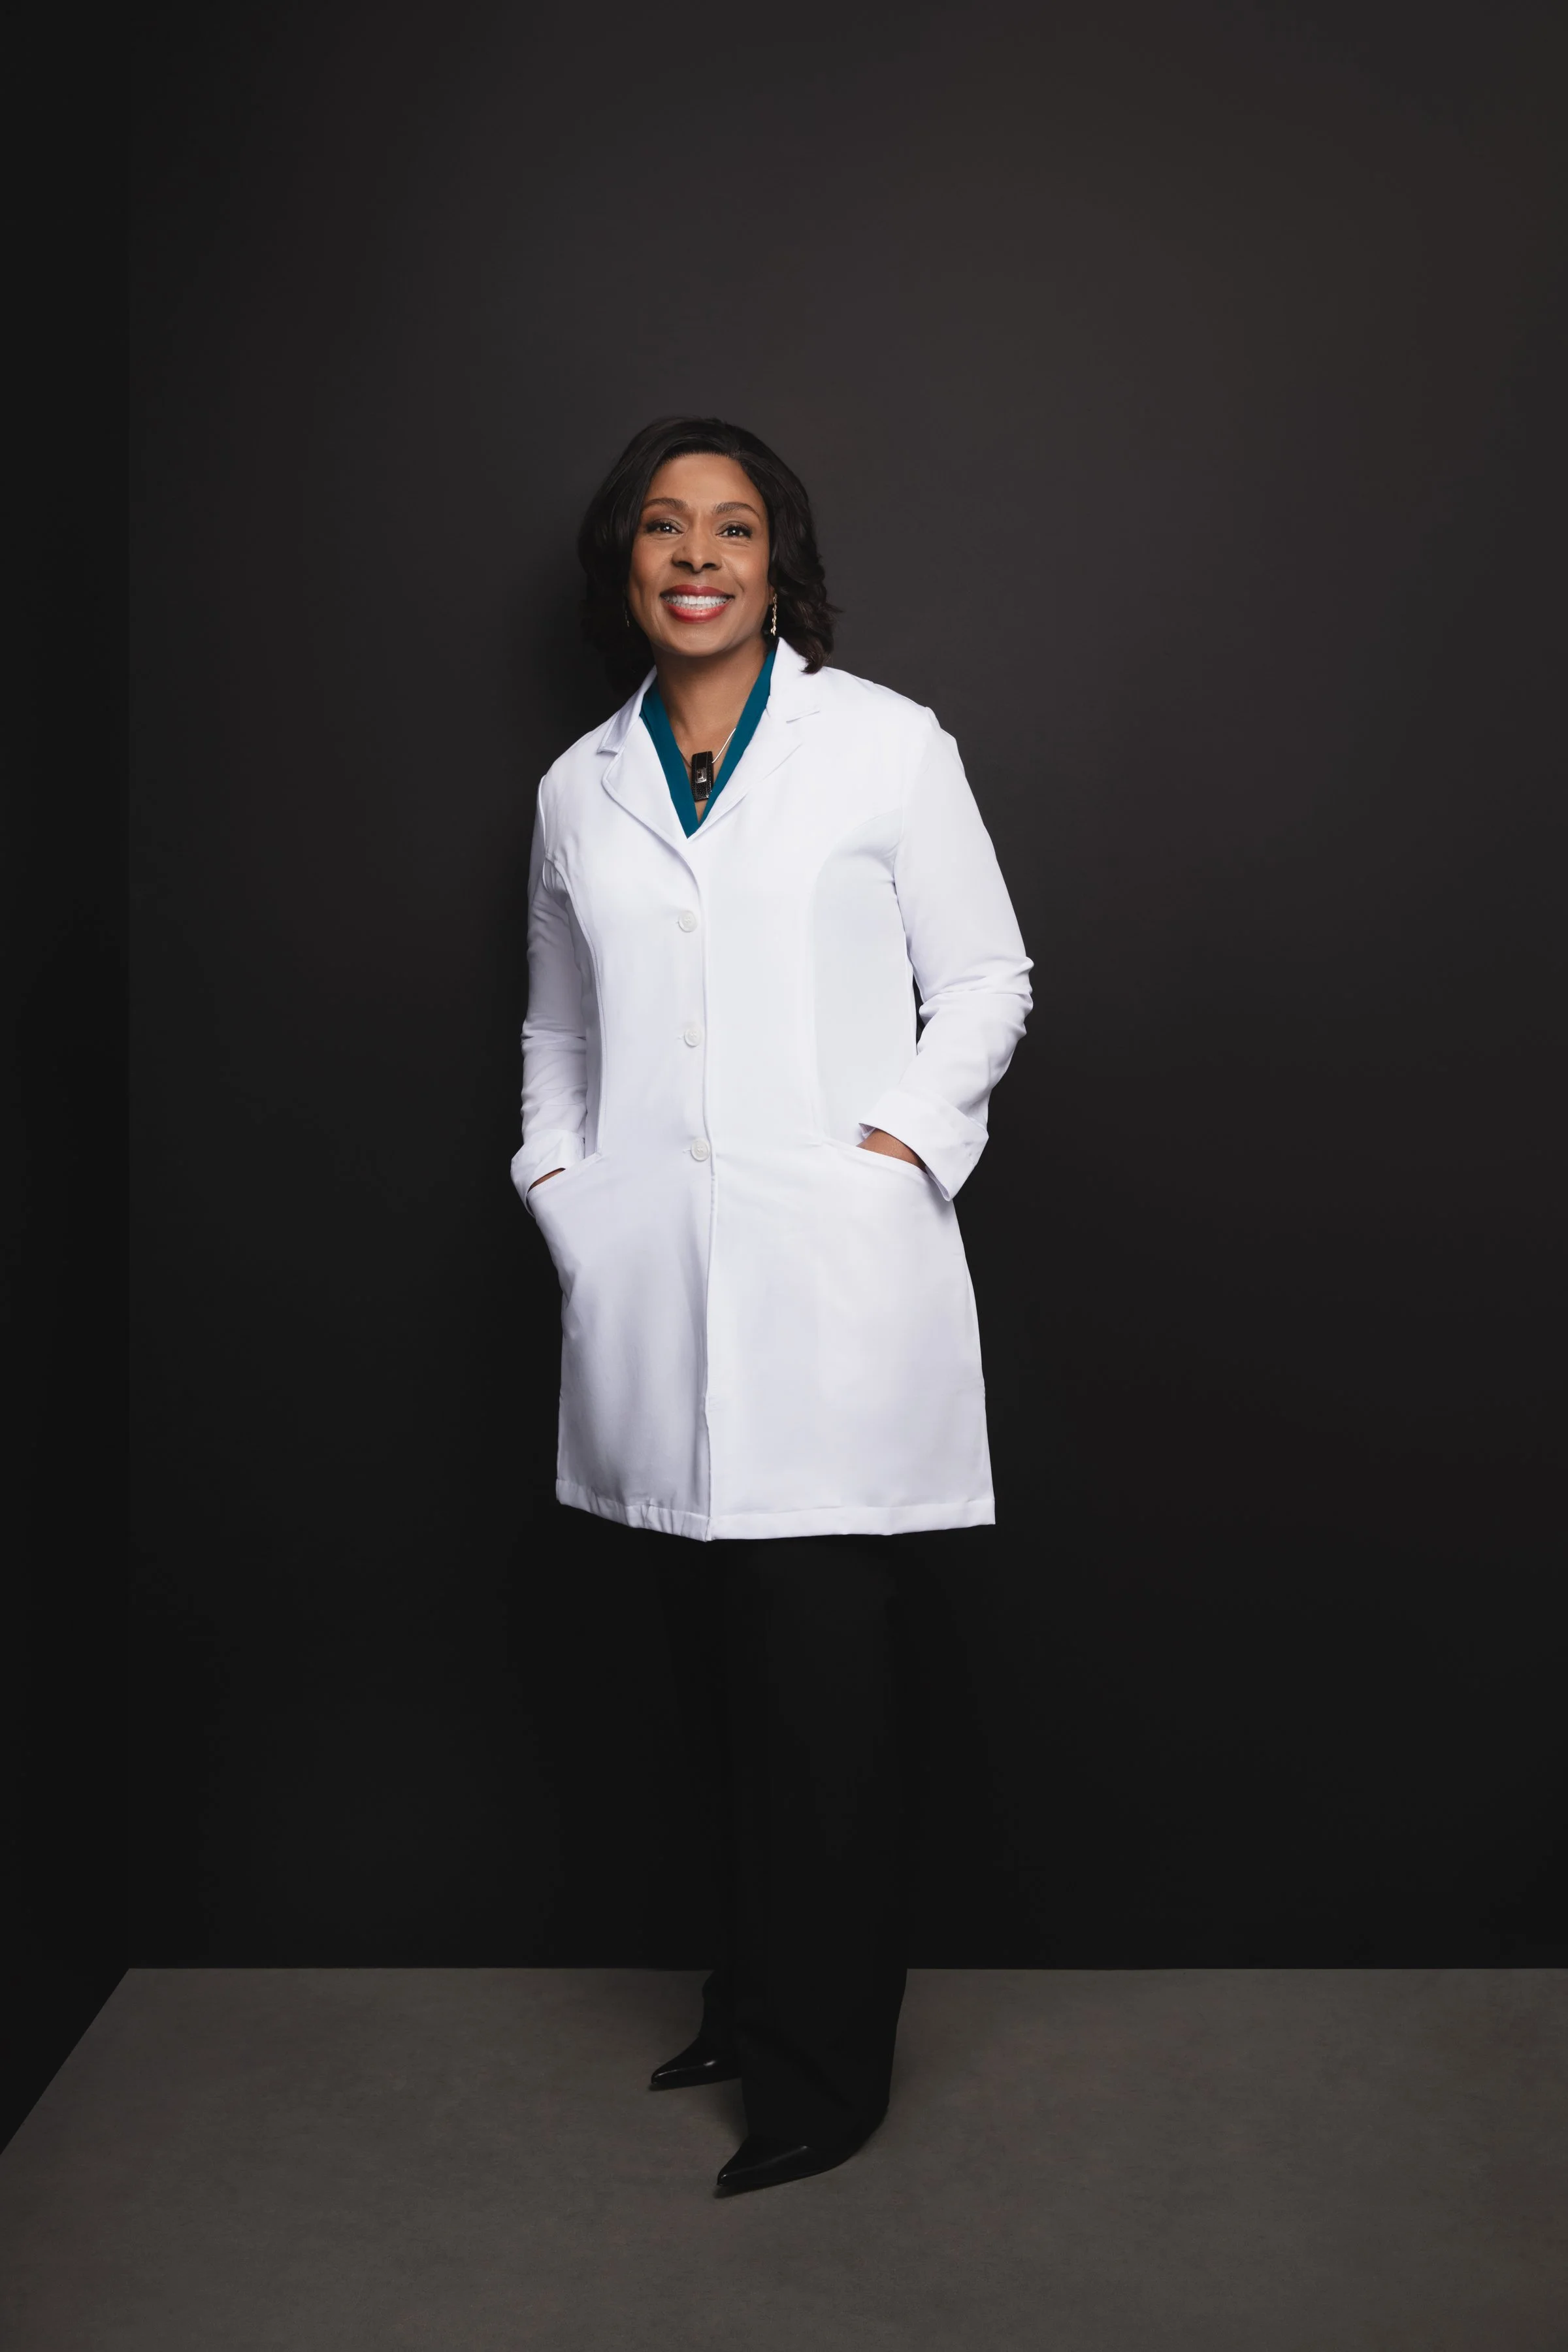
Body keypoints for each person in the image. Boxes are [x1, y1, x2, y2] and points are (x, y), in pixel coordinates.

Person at [513, 416, 1031, 2196]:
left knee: (825, 1711)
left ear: (775, 559)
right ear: (627, 565)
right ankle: (747, 2001)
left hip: (833, 1285)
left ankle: (826, 2076)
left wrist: (895, 1149)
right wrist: (562, 1187)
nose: (697, 555)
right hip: (655, 1289)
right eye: (664, 527)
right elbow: (557, 1029)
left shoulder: (885, 743)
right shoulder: (577, 788)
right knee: (713, 1695)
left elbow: (987, 975)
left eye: (732, 526)